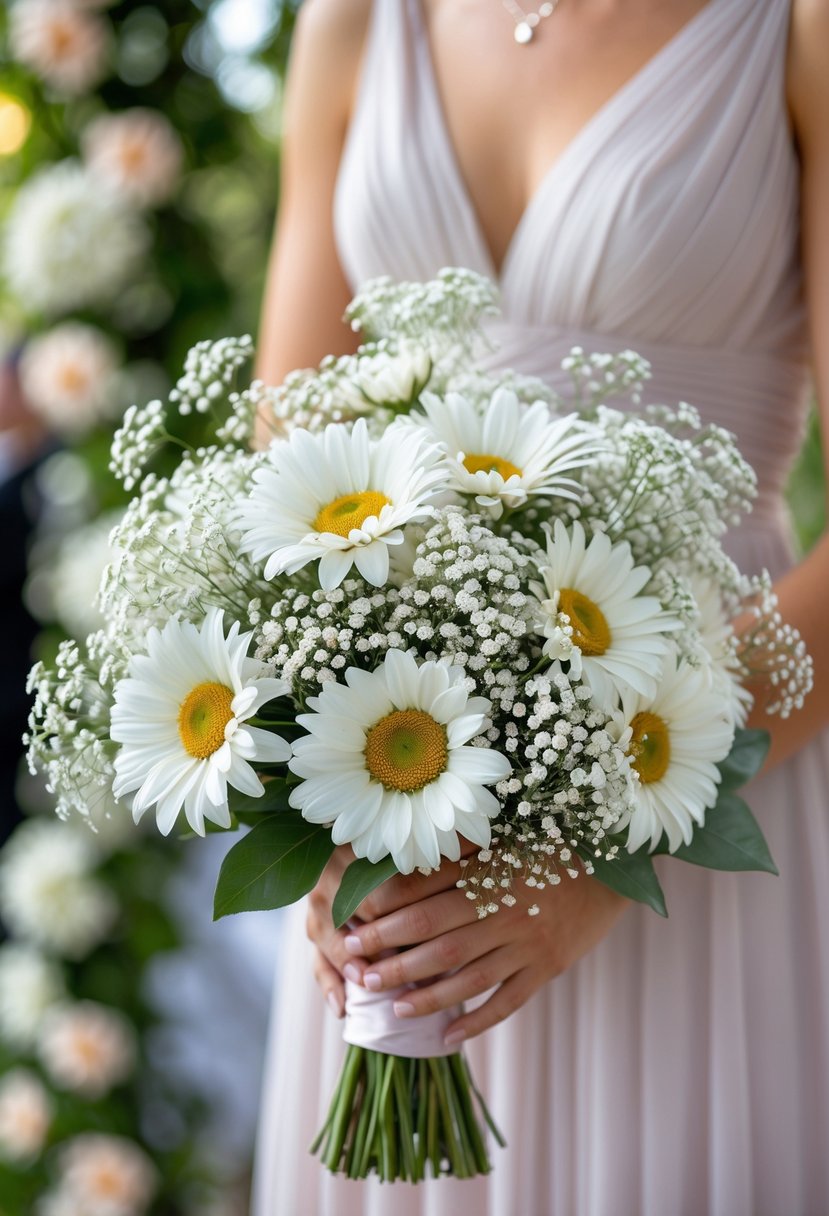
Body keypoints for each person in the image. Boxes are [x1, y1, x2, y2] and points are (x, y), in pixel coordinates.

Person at [252, 1, 829, 1212]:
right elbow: (283, 478)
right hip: (403, 834)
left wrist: (604, 847)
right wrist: (309, 792)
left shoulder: (794, 28)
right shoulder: (354, 22)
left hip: (705, 784)